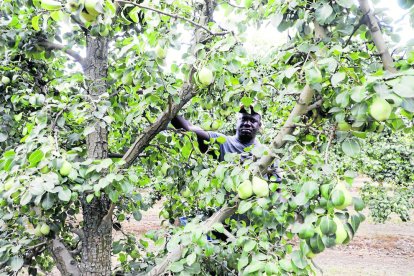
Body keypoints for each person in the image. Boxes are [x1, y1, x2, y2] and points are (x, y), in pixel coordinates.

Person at [171, 105, 282, 182]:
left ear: (259, 126)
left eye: (253, 121)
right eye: (243, 119)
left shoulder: (267, 152)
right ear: (236, 122)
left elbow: (278, 186)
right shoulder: (222, 142)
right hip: (225, 214)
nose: (247, 123)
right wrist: (170, 111)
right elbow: (190, 129)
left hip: (256, 213)